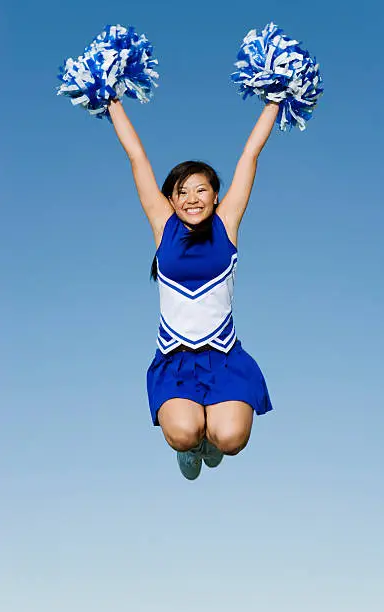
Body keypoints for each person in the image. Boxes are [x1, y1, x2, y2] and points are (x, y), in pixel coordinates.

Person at [108, 99, 278, 480]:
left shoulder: (227, 224)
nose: (192, 199)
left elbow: (250, 155)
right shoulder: (162, 225)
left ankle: (212, 443)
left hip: (224, 356)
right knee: (184, 433)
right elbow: (137, 157)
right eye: (182, 192)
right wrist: (112, 102)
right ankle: (193, 445)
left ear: (216, 196)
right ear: (170, 199)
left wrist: (274, 101)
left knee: (231, 438)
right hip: (175, 358)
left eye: (201, 190)